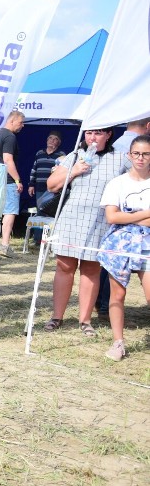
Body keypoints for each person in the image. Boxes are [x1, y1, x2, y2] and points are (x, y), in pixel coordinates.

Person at [44, 127, 130, 336]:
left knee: (91, 270)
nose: (92, 138)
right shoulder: (74, 155)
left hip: (100, 220)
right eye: (89, 133)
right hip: (71, 217)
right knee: (65, 266)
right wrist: (73, 171)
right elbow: (51, 185)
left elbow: (134, 181)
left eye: (98, 133)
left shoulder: (119, 158)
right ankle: (57, 317)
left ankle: (85, 321)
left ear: (109, 135)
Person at [97, 134, 150, 361]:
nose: (140, 158)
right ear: (129, 155)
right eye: (136, 153)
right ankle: (118, 342)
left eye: (146, 154)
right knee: (117, 295)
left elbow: (120, 216)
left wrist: (127, 216)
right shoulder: (117, 183)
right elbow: (112, 216)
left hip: (147, 244)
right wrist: (146, 214)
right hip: (119, 244)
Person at [0, 110, 25, 257]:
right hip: (8, 180)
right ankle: (5, 244)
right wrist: (17, 180)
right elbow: (7, 160)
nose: (23, 126)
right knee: (10, 212)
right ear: (12, 121)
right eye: (21, 122)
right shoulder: (10, 136)